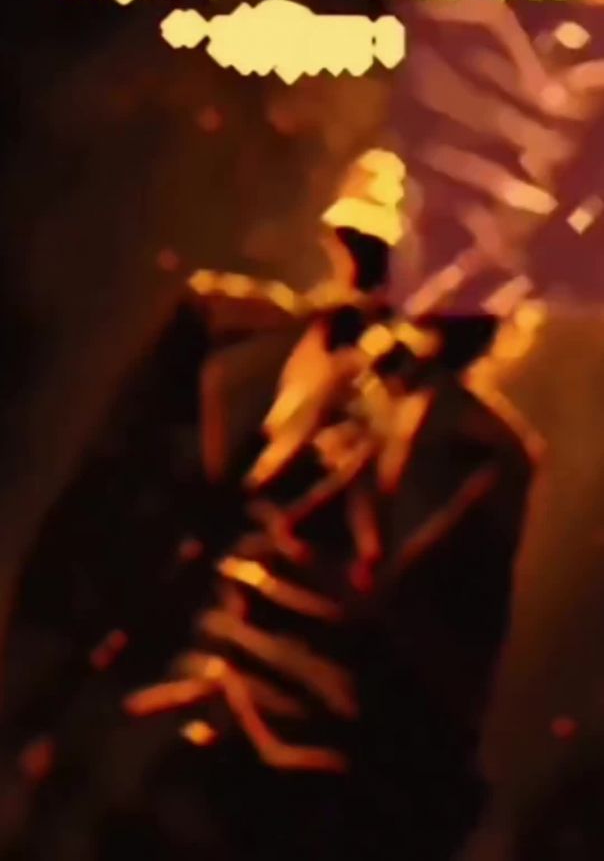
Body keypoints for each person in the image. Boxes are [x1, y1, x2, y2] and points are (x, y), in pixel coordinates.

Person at [102, 148, 538, 861]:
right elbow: (84, 559)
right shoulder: (228, 340)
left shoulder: (483, 461)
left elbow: (437, 709)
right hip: (127, 764)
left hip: (282, 813)